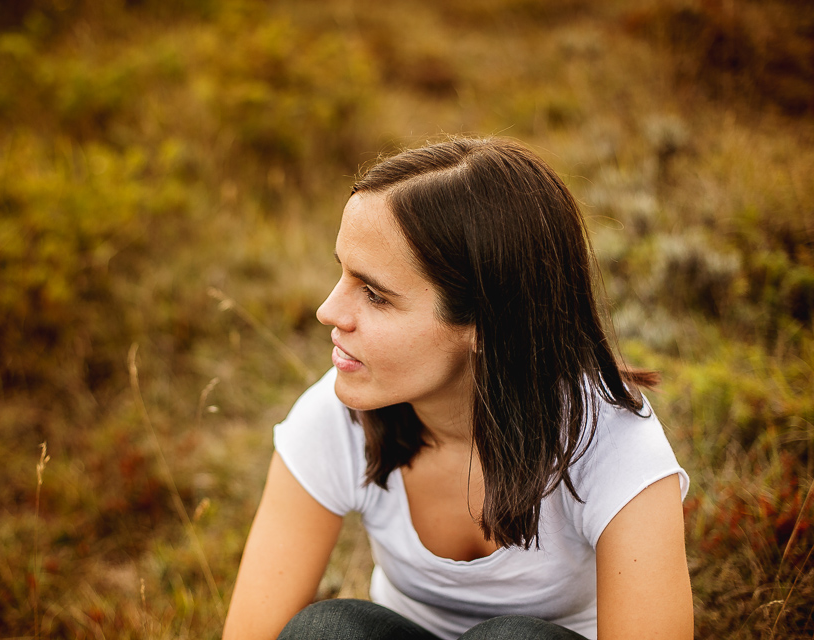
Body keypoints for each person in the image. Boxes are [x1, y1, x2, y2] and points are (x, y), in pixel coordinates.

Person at [222, 137, 693, 640]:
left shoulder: (608, 438)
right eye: (342, 273)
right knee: (329, 632)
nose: (328, 312)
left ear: (485, 324)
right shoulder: (335, 415)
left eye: (375, 294)